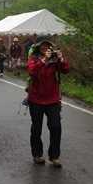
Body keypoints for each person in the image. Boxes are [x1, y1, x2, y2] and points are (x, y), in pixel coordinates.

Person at [26, 39, 69, 168]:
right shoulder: (34, 58)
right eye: (43, 47)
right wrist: (44, 59)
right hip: (36, 99)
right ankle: (37, 155)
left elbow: (66, 70)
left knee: (56, 127)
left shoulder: (54, 60)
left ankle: (54, 156)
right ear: (39, 48)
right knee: (36, 128)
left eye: (48, 47)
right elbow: (32, 71)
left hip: (52, 99)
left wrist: (61, 59)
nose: (46, 49)